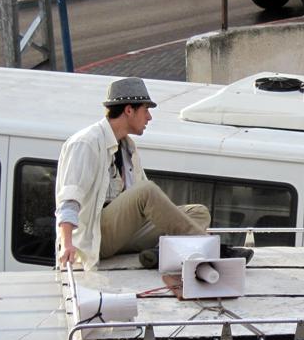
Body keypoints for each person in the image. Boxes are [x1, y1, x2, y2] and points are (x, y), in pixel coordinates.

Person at [55, 77, 252, 270]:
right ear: (129, 110)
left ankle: (158, 253)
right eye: (146, 110)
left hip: (124, 234)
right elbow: (69, 200)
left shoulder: (127, 146)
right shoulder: (86, 143)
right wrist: (67, 243)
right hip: (95, 237)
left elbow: (150, 207)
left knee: (198, 213)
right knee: (146, 190)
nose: (149, 117)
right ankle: (214, 249)